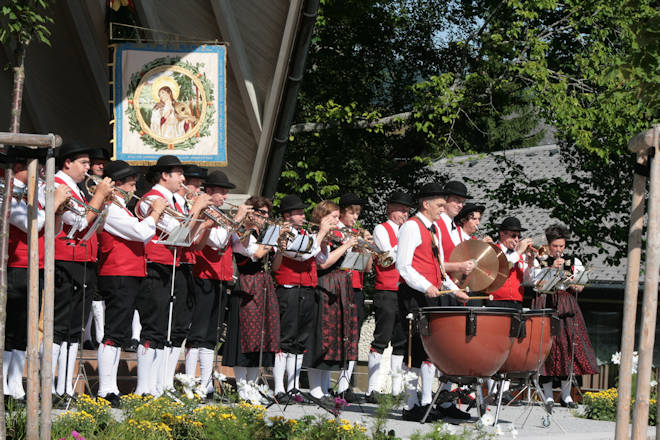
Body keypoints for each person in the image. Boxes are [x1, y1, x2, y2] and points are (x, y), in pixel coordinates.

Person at [134, 155, 210, 397]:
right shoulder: (152, 200)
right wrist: (196, 209)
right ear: (164, 175)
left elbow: (188, 239)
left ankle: (159, 385)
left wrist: (201, 221)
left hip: (176, 266)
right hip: (157, 265)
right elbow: (176, 232)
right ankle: (144, 388)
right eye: (179, 173)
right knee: (154, 327)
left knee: (173, 329)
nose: (183, 179)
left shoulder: (174, 202)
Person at [395, 182, 470, 422]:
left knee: (429, 351)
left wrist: (453, 289)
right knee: (412, 352)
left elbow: (438, 267)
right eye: (439, 204)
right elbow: (403, 265)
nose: (442, 209)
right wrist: (425, 285)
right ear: (426, 204)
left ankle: (426, 401)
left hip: (431, 296)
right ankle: (410, 404)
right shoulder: (411, 227)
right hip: (414, 295)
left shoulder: (432, 229)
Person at [95, 160, 167, 407]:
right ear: (116, 186)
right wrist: (156, 212)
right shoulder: (110, 208)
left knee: (121, 332)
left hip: (130, 273)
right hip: (117, 273)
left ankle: (111, 386)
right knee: (114, 332)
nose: (133, 189)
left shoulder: (121, 208)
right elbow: (140, 233)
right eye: (131, 184)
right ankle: (105, 389)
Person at [5, 150, 69, 403]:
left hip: (37, 264)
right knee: (12, 326)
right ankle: (5, 385)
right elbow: (27, 223)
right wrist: (52, 204)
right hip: (17, 264)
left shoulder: (36, 193)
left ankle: (14, 384)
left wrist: (58, 212)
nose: (43, 171)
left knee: (27, 327)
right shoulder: (7, 190)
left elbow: (49, 232)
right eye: (38, 166)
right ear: (20, 167)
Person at [53, 142, 114, 401]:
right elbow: (77, 222)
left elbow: (93, 225)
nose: (89, 169)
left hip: (83, 260)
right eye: (84, 163)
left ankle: (66, 385)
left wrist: (101, 203)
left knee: (74, 329)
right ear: (68, 163)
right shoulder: (58, 184)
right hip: (65, 259)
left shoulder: (77, 189)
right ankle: (53, 385)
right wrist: (99, 196)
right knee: (60, 326)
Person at [187, 170, 246, 398]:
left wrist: (243, 229)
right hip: (203, 276)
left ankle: (206, 382)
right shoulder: (204, 214)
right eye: (221, 192)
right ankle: (189, 380)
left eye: (225, 192)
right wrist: (238, 220)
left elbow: (239, 247)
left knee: (211, 334)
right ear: (208, 192)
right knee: (198, 332)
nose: (224, 196)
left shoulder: (220, 215)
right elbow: (219, 242)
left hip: (221, 278)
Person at [270, 194, 330, 402]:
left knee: (300, 340)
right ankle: (278, 387)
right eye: (299, 213)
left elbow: (321, 259)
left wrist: (324, 241)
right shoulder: (282, 232)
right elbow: (301, 255)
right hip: (288, 288)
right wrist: (321, 234)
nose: (303, 216)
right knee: (285, 339)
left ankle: (293, 386)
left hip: (307, 288)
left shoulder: (306, 233)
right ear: (287, 215)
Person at [531, 224, 598, 410]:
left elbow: (580, 287)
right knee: (548, 349)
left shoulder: (573, 260)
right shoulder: (539, 260)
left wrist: (573, 282)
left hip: (566, 303)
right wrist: (552, 268)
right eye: (555, 246)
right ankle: (548, 395)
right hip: (547, 303)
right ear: (548, 245)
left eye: (561, 246)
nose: (559, 250)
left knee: (569, 347)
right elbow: (536, 284)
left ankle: (567, 395)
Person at [221, 196, 280, 401]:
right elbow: (254, 253)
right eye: (260, 213)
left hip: (264, 285)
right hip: (247, 284)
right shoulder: (241, 232)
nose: (264, 217)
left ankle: (253, 388)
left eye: (266, 214)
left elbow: (277, 264)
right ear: (250, 212)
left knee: (260, 339)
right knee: (244, 338)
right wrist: (274, 237)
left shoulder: (261, 234)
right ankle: (242, 387)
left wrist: (279, 244)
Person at [304, 200, 359, 404]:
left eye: (338, 216)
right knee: (321, 337)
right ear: (323, 216)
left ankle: (324, 388)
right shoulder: (316, 235)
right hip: (323, 287)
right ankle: (315, 389)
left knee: (334, 339)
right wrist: (346, 245)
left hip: (339, 286)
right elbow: (323, 263)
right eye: (334, 217)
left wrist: (357, 250)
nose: (338, 220)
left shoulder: (333, 236)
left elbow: (352, 264)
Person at [366, 190, 414, 403]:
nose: (405, 214)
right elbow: (388, 254)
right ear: (390, 210)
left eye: (407, 211)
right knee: (381, 338)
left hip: (403, 291)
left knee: (401, 341)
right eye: (401, 210)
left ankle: (396, 390)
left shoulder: (406, 231)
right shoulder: (381, 229)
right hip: (386, 290)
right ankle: (372, 389)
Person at [163, 165, 207, 392]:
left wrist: (206, 225)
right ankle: (161, 382)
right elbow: (179, 235)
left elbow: (194, 241)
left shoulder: (184, 205)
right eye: (196, 186)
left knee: (180, 328)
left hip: (186, 264)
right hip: (170, 265)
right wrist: (197, 212)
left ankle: (167, 381)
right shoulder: (173, 204)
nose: (198, 191)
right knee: (167, 328)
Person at [486, 216, 537, 402]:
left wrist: (530, 262)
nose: (516, 240)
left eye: (518, 236)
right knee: (494, 347)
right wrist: (520, 251)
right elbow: (501, 267)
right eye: (513, 236)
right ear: (502, 234)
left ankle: (504, 390)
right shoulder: (494, 251)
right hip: (495, 302)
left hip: (515, 302)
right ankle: (492, 390)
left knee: (510, 347)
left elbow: (530, 281)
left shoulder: (519, 256)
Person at [335, 193, 372, 402]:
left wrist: (365, 247)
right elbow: (340, 263)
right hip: (340, 286)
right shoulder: (336, 232)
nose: (355, 217)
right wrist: (351, 245)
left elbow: (366, 268)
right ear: (342, 212)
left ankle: (346, 384)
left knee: (354, 337)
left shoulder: (356, 233)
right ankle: (337, 385)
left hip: (356, 288)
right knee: (339, 335)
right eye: (352, 212)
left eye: (358, 213)